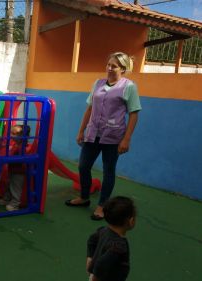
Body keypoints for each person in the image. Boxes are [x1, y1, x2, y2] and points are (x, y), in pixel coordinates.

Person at [65, 52, 141, 220]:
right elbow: (90, 108)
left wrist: (126, 139)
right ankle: (84, 197)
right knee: (83, 166)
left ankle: (102, 206)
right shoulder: (98, 83)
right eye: (108, 64)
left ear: (122, 68)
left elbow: (134, 114)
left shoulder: (129, 86)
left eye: (113, 66)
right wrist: (81, 130)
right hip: (93, 133)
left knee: (108, 171)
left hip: (113, 137)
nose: (109, 68)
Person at [86, 196, 136, 281]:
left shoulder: (103, 230)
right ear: (131, 221)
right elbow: (101, 264)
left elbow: (91, 241)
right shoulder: (118, 246)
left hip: (96, 275)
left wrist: (89, 258)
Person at [0, 125, 30, 211]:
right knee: (8, 185)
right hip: (12, 169)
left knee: (15, 188)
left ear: (21, 136)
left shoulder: (22, 147)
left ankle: (15, 204)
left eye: (14, 133)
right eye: (11, 133)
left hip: (19, 172)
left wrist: (8, 158)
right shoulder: (16, 144)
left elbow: (19, 159)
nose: (11, 135)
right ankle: (7, 199)